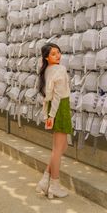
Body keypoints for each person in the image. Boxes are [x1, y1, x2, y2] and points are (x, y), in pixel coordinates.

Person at [36, 43, 72, 199]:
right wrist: (51, 115)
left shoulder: (46, 70)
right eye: (53, 54)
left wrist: (48, 114)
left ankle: (46, 179)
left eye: (58, 52)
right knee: (58, 149)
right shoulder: (60, 70)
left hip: (54, 107)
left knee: (61, 147)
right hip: (60, 107)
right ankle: (54, 185)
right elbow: (57, 96)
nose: (57, 56)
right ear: (46, 57)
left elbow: (47, 97)